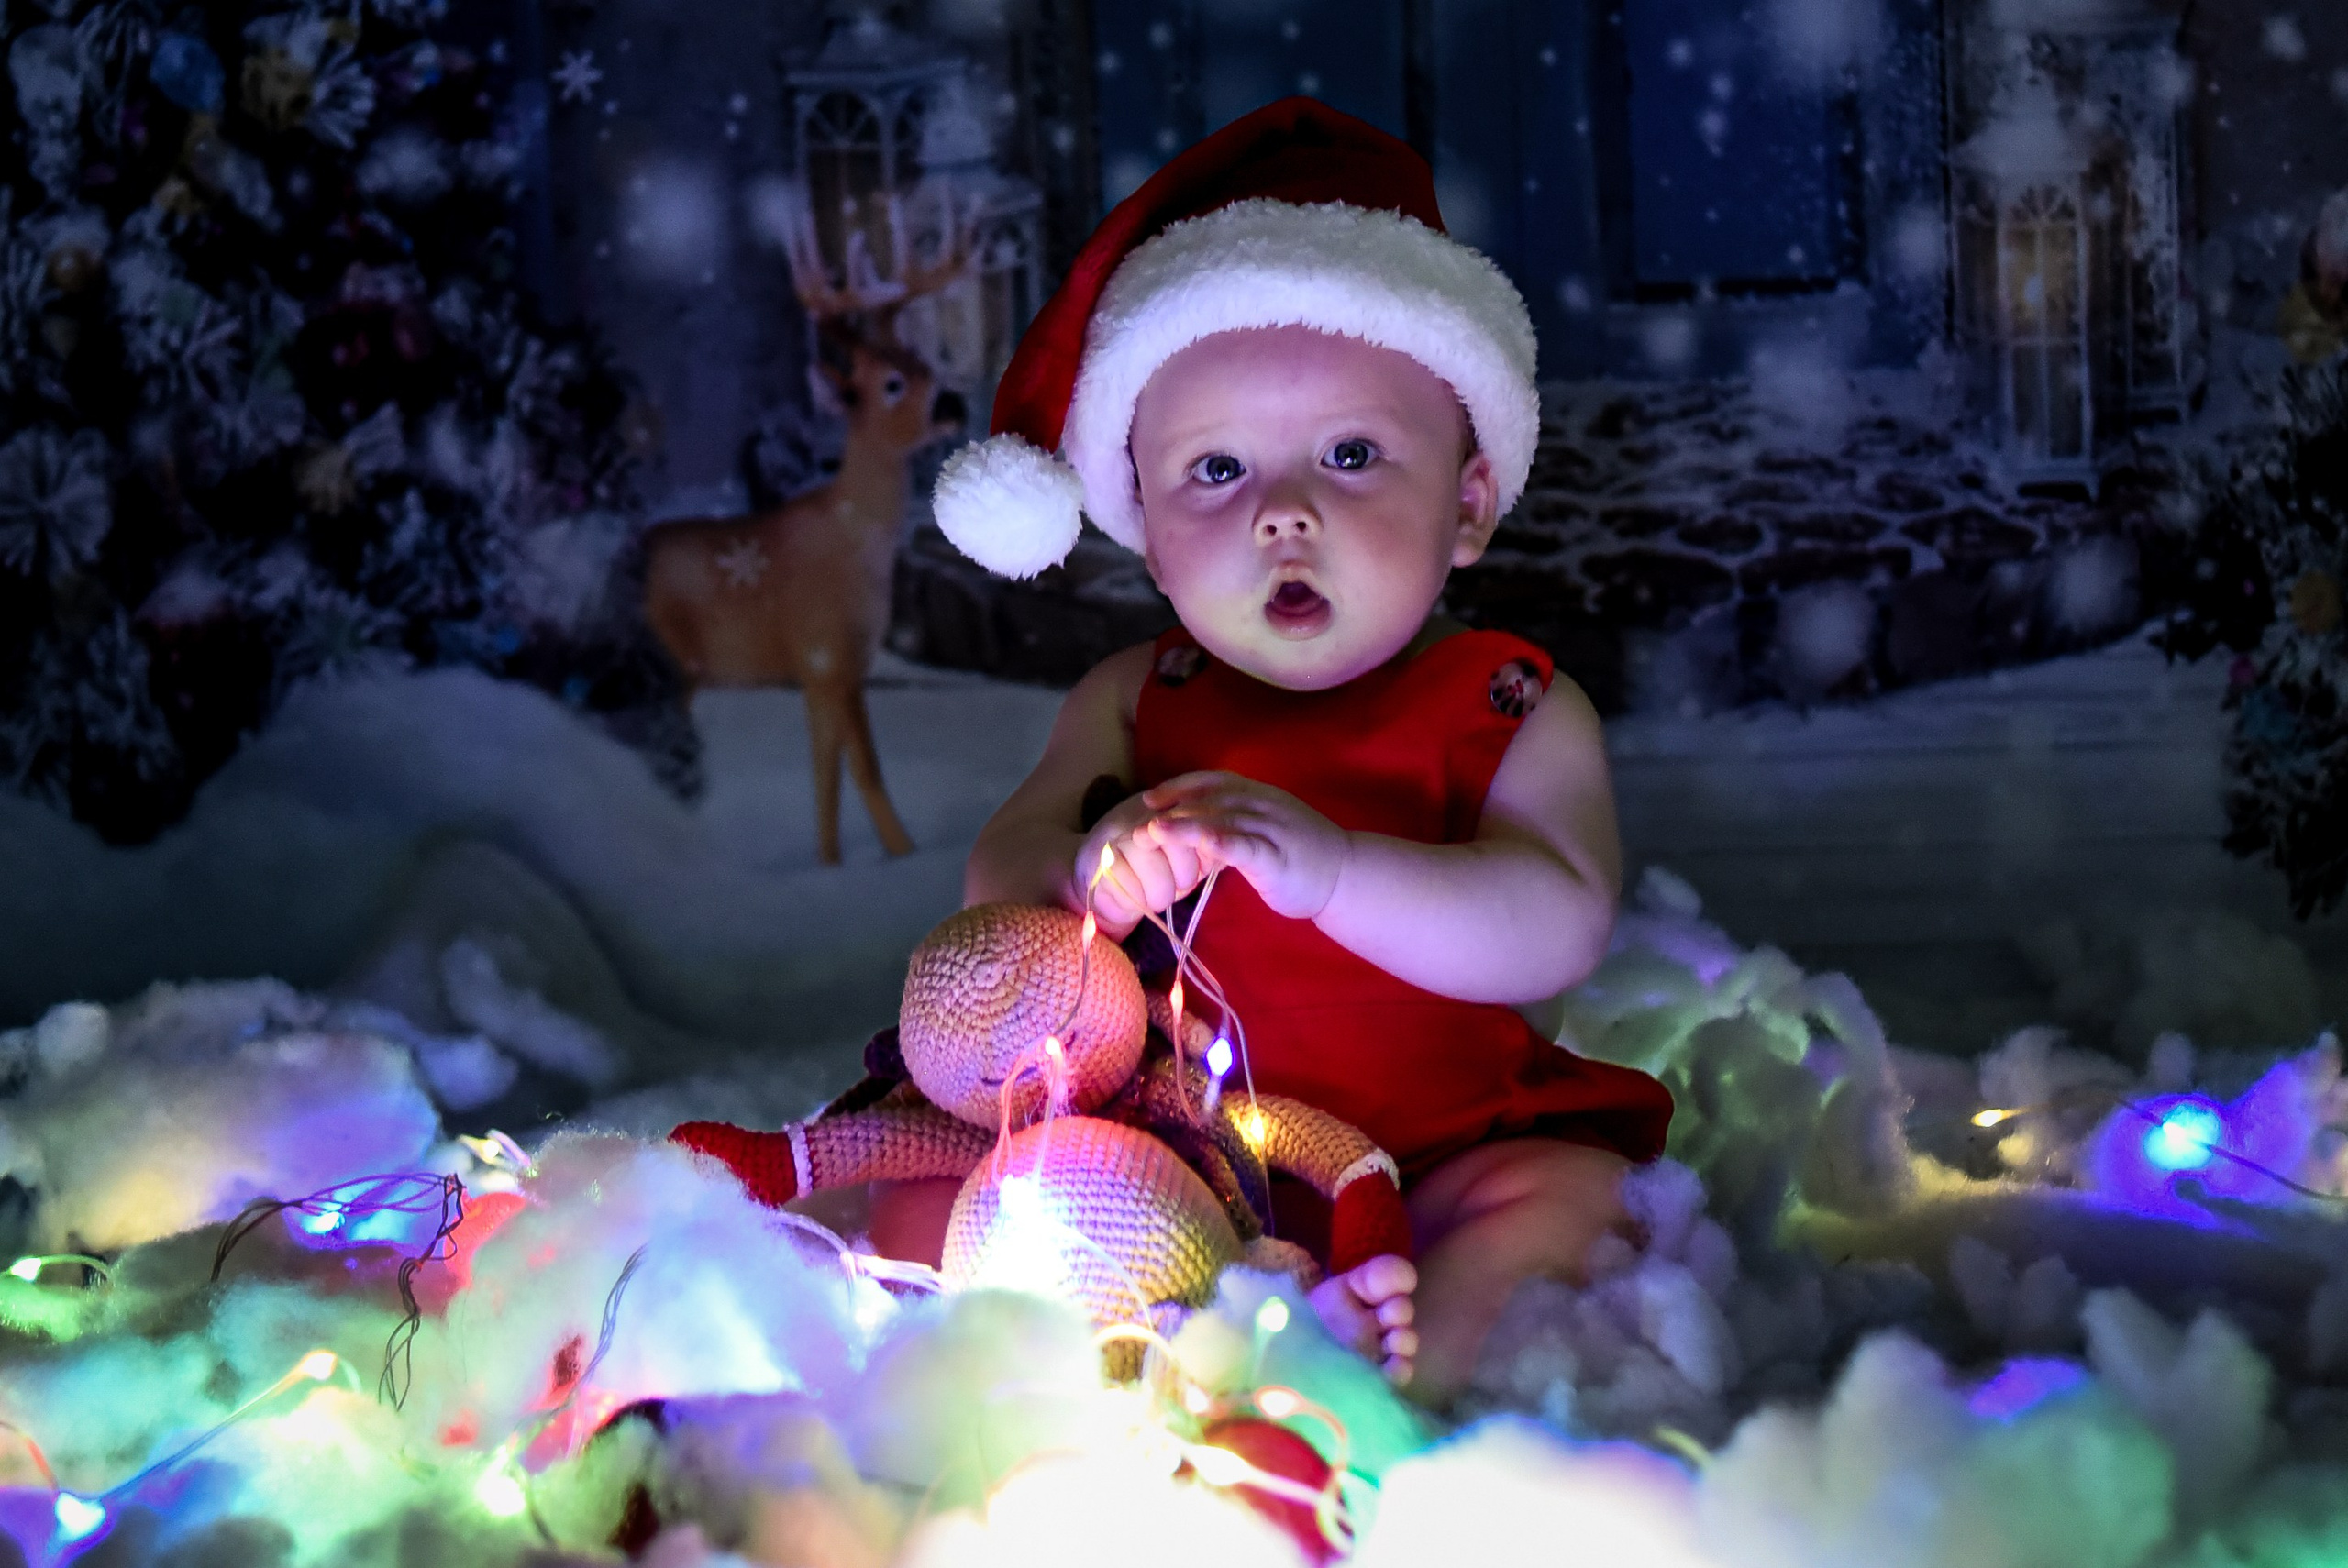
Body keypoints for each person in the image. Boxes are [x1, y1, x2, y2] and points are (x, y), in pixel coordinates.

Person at [901, 97, 1673, 1407]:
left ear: (1469, 501)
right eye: (1216, 471)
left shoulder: (1509, 702)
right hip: (1172, 1162)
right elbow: (1001, 875)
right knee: (940, 1200)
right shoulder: (1134, 699)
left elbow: (1556, 924)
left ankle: (1402, 1382)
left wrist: (1329, 871)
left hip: (1448, 1152)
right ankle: (1143, 1355)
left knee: (1572, 1201)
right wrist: (1088, 867)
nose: (1285, 512)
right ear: (1140, 518)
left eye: (1354, 454)